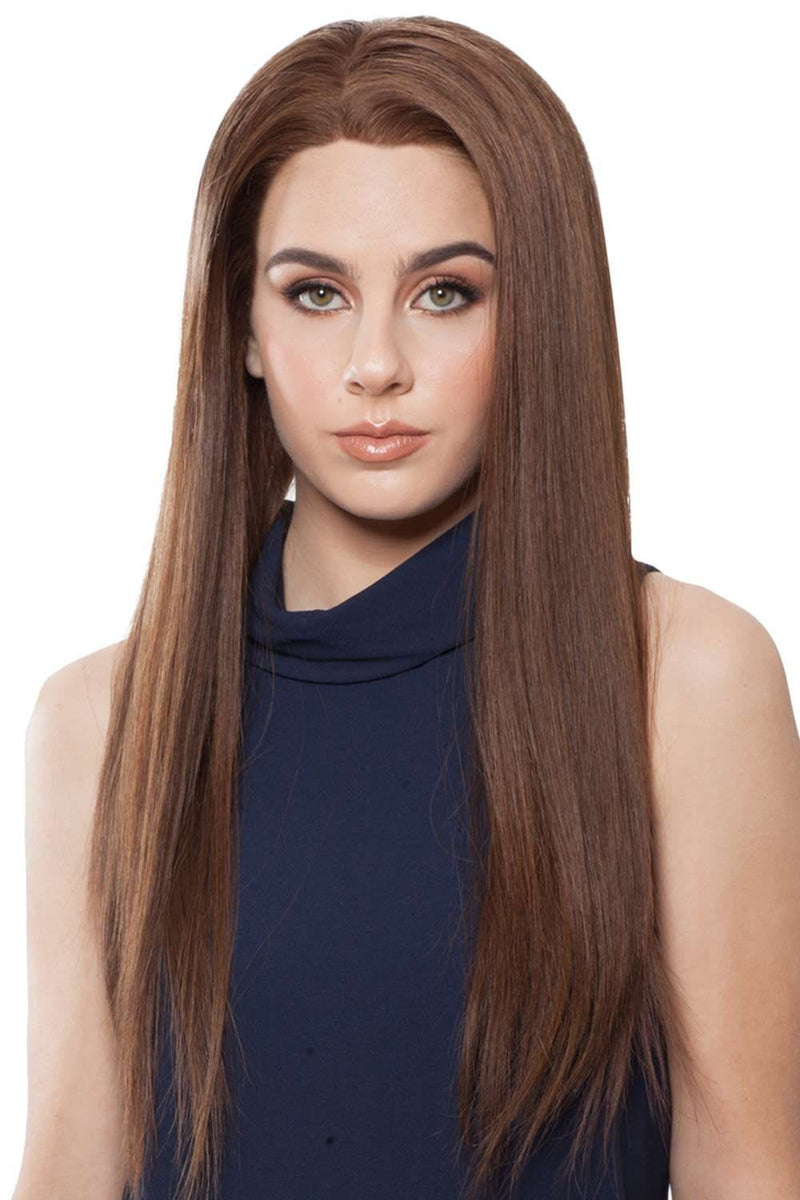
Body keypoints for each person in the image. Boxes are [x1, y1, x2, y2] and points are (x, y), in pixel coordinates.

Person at [15, 16, 800, 1200]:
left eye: (443, 292)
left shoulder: (678, 677)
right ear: (242, 327)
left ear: (533, 316)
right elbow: (72, 1165)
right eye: (315, 293)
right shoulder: (102, 719)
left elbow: (749, 1173)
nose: (374, 363)